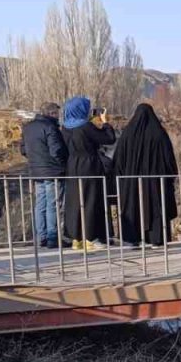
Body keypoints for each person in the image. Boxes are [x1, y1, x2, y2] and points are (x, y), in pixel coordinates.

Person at [113, 103, 178, 247]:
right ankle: (156, 239)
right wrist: (170, 176)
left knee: (133, 207)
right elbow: (169, 159)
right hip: (155, 182)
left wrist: (122, 178)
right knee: (156, 208)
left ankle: (132, 240)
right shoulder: (159, 134)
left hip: (131, 183)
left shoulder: (128, 134)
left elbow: (118, 160)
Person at [60, 96, 116, 251]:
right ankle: (90, 238)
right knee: (91, 201)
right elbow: (109, 139)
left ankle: (76, 238)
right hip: (89, 166)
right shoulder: (86, 127)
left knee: (75, 202)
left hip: (72, 166)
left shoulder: (65, 127)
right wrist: (105, 123)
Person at [20, 103, 68, 248]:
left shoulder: (27, 128)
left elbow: (23, 150)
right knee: (53, 204)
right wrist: (64, 163)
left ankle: (42, 236)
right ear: (52, 113)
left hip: (35, 171)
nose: (59, 117)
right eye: (57, 114)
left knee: (40, 204)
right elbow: (56, 151)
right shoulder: (50, 127)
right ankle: (53, 237)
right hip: (52, 171)